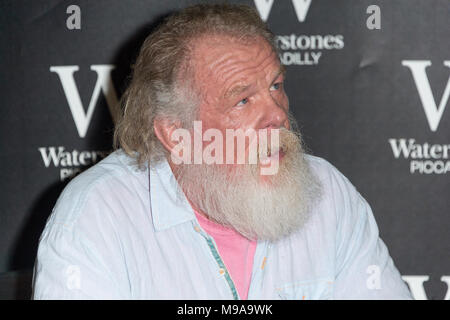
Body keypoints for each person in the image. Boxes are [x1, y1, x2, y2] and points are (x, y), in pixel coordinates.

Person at [32, 4, 412, 299]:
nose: (278, 115)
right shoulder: (97, 217)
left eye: (276, 86)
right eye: (243, 100)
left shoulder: (328, 194)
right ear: (176, 134)